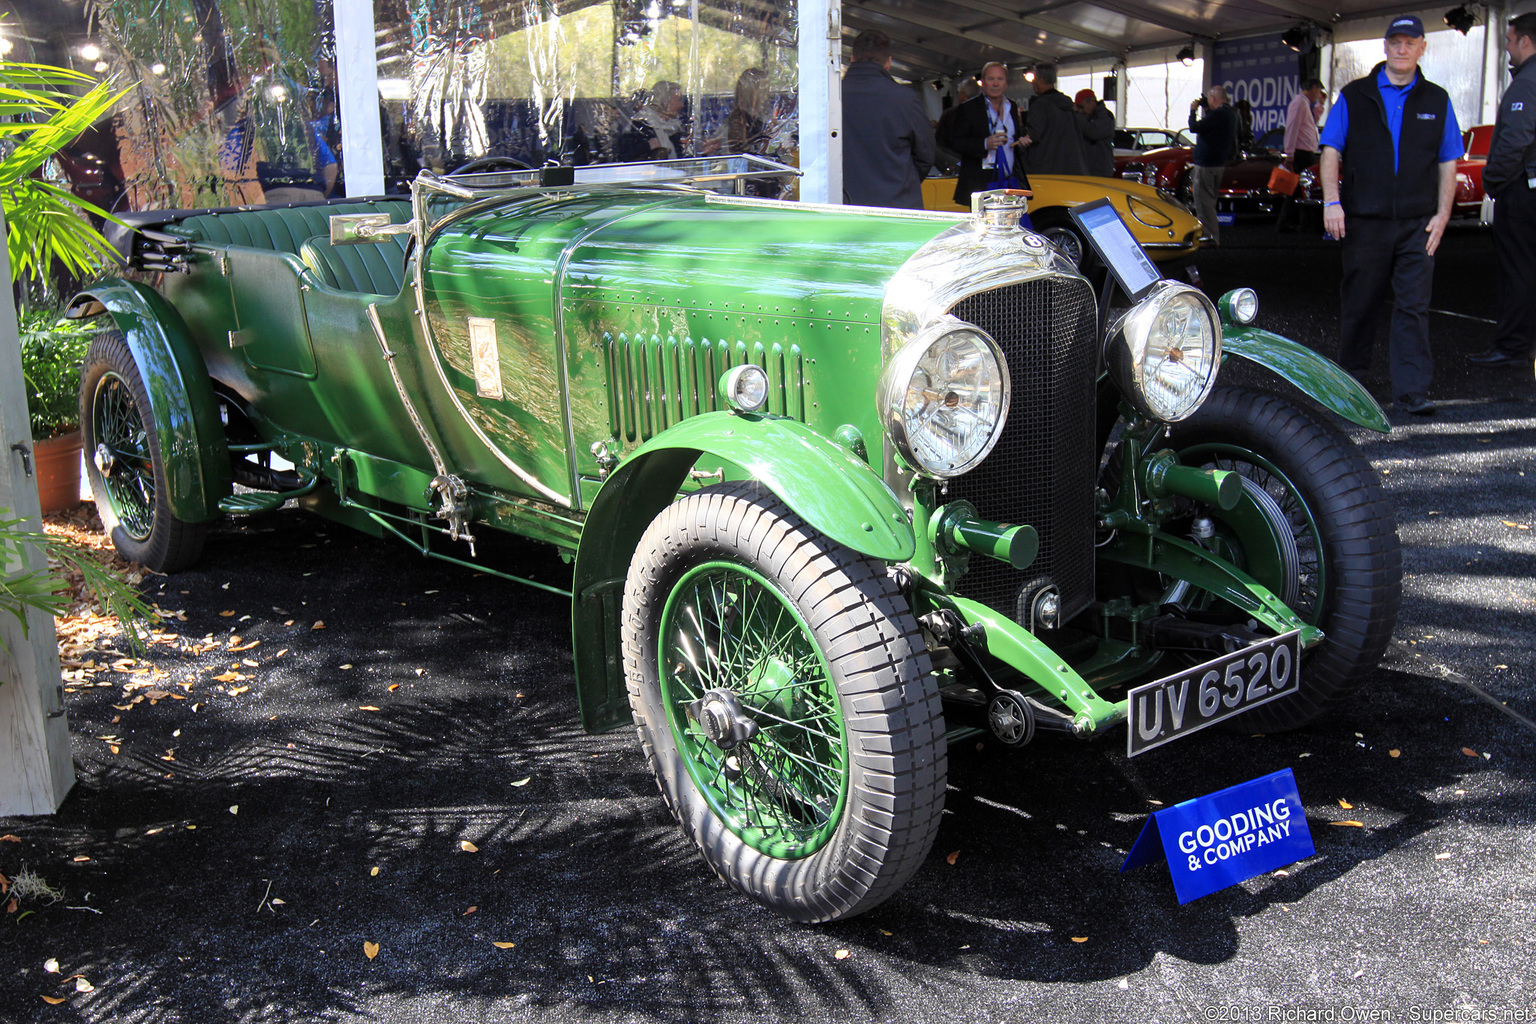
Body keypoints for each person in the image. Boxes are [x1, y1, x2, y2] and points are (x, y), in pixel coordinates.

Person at [1320, 15, 1461, 415]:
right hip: (1365, 221)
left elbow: (1449, 161)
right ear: (1385, 47)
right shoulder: (1354, 95)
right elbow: (1331, 150)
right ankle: (1350, 385)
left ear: (1422, 48)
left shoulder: (1437, 100)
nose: (1402, 49)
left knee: (1414, 307)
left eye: (1410, 43)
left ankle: (1411, 391)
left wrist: (1443, 215)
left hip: (1419, 224)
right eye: (1395, 42)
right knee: (1361, 302)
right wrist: (1332, 203)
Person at [1467, 11, 1536, 369]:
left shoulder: (1527, 82)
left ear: (1525, 41)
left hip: (1523, 191)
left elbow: (1515, 141)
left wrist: (1492, 181)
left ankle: (1511, 347)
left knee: (1518, 269)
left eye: (1509, 41)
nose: (1507, 48)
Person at [840, 30, 936, 209]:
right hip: (897, 203)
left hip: (842, 204)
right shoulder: (905, 98)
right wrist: (902, 182)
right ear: (889, 63)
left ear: (852, 58)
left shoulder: (830, 96)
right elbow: (926, 154)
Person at [948, 61, 1027, 207]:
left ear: (1006, 83)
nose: (995, 84)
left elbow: (1013, 140)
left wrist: (1021, 142)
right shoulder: (969, 108)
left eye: (1000, 79)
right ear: (983, 83)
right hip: (980, 182)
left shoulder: (1012, 106)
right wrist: (984, 143)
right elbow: (956, 142)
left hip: (1009, 179)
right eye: (991, 79)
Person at [1187, 85, 1238, 245]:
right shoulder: (1229, 113)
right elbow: (1211, 126)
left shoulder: (1219, 114)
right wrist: (1208, 109)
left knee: (1203, 202)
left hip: (1207, 165)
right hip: (1217, 163)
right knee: (1209, 201)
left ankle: (1209, 237)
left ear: (1214, 99)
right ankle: (1210, 235)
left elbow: (1195, 127)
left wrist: (1193, 111)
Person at [1020, 65, 1087, 176]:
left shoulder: (1040, 105)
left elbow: (1033, 136)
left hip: (1045, 169)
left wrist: (1021, 127)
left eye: (1034, 79)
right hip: (1072, 168)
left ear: (1040, 80)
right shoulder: (1068, 105)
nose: (1032, 84)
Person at [934, 77, 979, 175]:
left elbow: (939, 140)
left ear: (962, 95)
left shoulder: (950, 114)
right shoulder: (985, 113)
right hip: (978, 163)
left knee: (931, 148)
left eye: (958, 93)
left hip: (956, 161)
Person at [634, 80, 687, 160]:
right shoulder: (640, 126)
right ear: (664, 102)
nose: (681, 105)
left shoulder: (675, 127)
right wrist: (647, 146)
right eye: (678, 100)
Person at [1283, 79, 1327, 173]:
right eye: (1319, 92)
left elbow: (1311, 121)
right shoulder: (1300, 103)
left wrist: (1320, 104)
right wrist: (1290, 153)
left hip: (1306, 153)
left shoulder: (1305, 103)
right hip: (1300, 153)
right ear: (1314, 88)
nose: (1319, 95)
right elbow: (1292, 128)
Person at [1074, 88, 1116, 177]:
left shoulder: (1105, 117)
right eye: (1078, 108)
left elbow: (1093, 132)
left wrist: (1077, 115)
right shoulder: (1084, 119)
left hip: (1100, 170)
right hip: (1086, 169)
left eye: (1081, 107)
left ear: (1092, 102)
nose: (1080, 111)